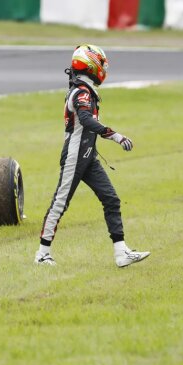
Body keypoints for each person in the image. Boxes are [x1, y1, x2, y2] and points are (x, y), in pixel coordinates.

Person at [35, 44, 150, 268]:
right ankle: (42, 254)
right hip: (74, 157)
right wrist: (116, 136)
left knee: (111, 199)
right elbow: (86, 120)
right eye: (101, 64)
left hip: (87, 156)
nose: (103, 69)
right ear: (90, 65)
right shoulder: (81, 92)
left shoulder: (85, 90)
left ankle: (121, 253)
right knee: (60, 202)